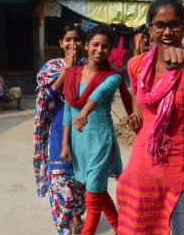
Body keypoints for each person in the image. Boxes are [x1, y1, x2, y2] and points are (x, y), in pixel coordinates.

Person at [116, 0, 184, 235]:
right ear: (149, 29)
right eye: (159, 25)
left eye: (175, 25)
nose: (167, 32)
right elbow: (137, 94)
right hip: (145, 164)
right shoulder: (136, 64)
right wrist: (135, 112)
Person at [61, 25, 122, 235]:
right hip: (79, 143)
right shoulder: (72, 74)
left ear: (110, 50)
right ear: (86, 45)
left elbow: (98, 94)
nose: (99, 49)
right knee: (97, 190)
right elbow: (68, 109)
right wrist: (65, 144)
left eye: (105, 46)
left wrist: (84, 113)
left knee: (92, 196)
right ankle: (120, 227)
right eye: (95, 44)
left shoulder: (112, 77)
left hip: (100, 140)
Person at [33, 24, 86, 235]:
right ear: (61, 43)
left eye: (77, 40)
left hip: (82, 131)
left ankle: (76, 216)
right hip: (57, 132)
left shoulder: (88, 66)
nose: (73, 44)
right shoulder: (51, 67)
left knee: (80, 182)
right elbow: (45, 98)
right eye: (68, 40)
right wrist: (67, 71)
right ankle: (63, 227)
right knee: (61, 182)